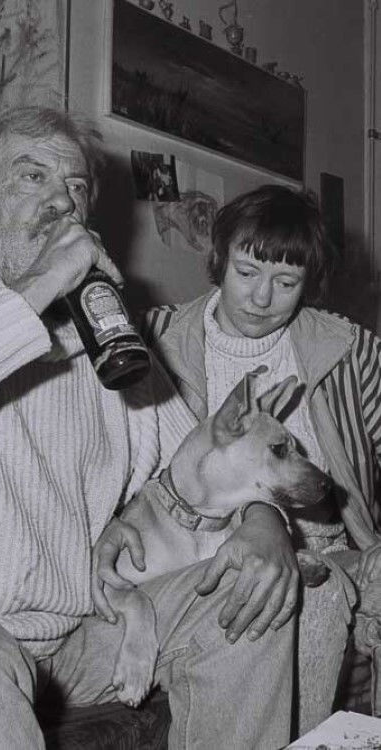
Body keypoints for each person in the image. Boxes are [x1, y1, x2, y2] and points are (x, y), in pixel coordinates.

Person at [0, 109, 350, 750]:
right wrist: (43, 283)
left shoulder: (103, 344)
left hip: (69, 642)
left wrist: (262, 519)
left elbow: (205, 457)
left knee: (259, 590)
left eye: (75, 186)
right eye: (33, 176)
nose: (61, 201)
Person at [136, 183, 381, 727]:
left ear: (309, 284)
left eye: (286, 282)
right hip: (203, 550)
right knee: (303, 599)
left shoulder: (351, 351)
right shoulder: (154, 338)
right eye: (246, 272)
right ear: (219, 260)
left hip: (333, 544)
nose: (261, 298)